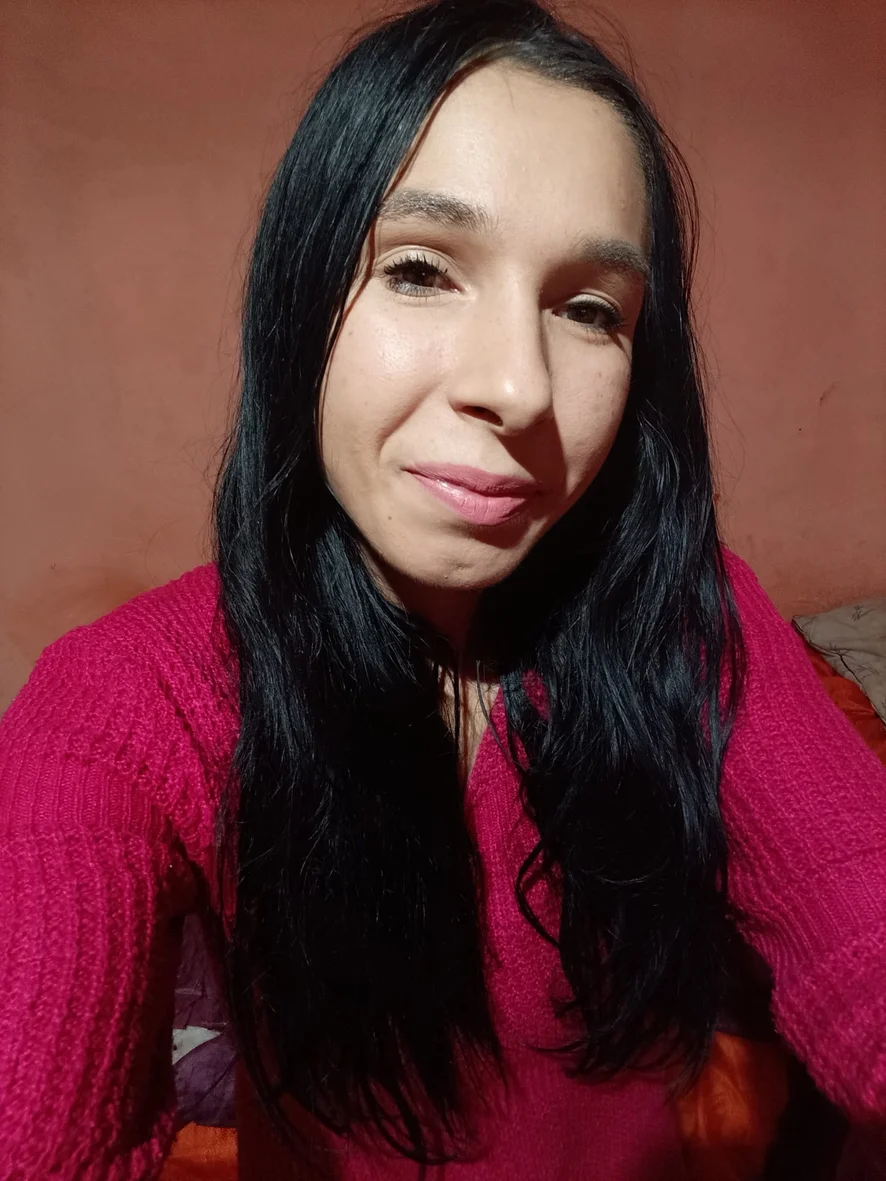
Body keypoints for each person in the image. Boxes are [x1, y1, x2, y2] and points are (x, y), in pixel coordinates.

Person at [1, 0, 884, 1177]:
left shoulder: (689, 614)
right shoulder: (128, 700)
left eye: (588, 309)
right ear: (298, 299)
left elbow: (860, 921)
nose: (518, 386)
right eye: (419, 270)